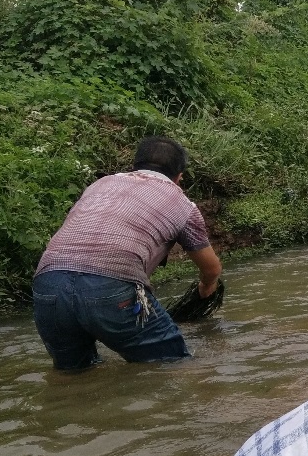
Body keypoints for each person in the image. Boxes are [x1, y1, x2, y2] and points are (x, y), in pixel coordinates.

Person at [32, 136, 222, 370]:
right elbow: (211, 268)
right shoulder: (183, 205)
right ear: (179, 177)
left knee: (73, 374)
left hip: (48, 284)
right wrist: (206, 289)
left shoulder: (100, 184)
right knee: (170, 366)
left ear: (134, 165)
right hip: (111, 285)